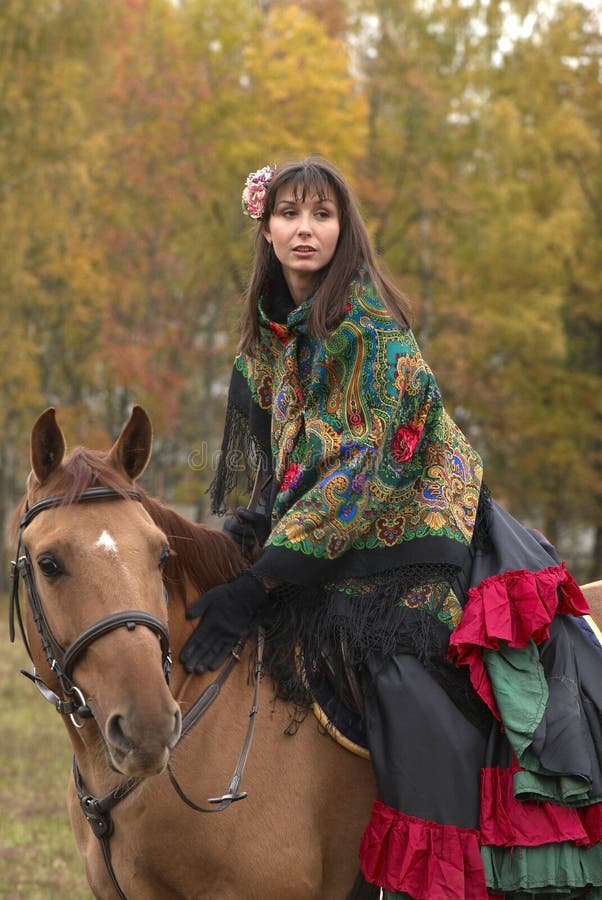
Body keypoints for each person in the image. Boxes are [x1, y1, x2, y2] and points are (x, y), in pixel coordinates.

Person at [180, 156, 602, 899]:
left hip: (413, 533)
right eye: (288, 214)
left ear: (344, 231)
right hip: (327, 542)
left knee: (401, 682)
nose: (304, 229)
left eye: (321, 214)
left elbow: (356, 480)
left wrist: (263, 580)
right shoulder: (265, 343)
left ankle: (442, 875)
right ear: (267, 229)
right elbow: (279, 475)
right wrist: (245, 547)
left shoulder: (372, 330)